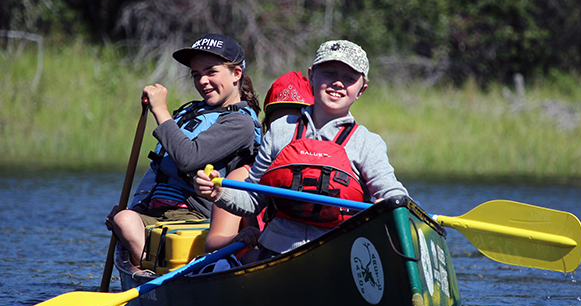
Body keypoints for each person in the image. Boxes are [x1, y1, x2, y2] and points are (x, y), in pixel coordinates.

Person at [194, 40, 409, 263]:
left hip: (338, 256)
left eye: (349, 78)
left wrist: (390, 206)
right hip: (276, 257)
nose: (338, 83)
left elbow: (393, 192)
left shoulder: (367, 143)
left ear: (361, 90)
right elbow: (252, 199)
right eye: (329, 73)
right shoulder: (280, 132)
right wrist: (218, 192)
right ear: (312, 76)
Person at [106, 33, 262, 267]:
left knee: (126, 221)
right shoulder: (195, 112)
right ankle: (148, 267)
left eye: (211, 72)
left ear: (236, 74)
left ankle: (151, 271)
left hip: (194, 217)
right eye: (196, 75)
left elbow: (188, 159)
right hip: (156, 212)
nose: (202, 82)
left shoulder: (241, 123)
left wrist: (160, 110)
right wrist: (136, 209)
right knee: (124, 219)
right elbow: (159, 169)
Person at [204, 71, 314, 253]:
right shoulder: (241, 178)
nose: (285, 133)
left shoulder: (326, 174)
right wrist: (238, 238)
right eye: (279, 123)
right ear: (267, 127)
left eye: (296, 123)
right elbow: (212, 243)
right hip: (257, 266)